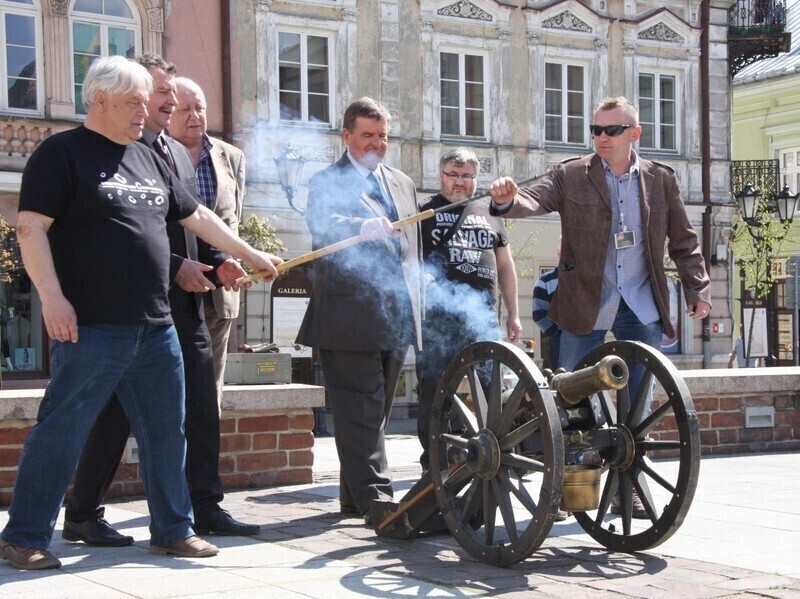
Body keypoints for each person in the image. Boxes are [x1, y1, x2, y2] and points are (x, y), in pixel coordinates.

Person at [0, 56, 281, 570]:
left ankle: (173, 530)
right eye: (133, 102)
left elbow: (196, 215)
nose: (143, 111)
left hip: (156, 326)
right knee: (61, 430)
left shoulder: (149, 157)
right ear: (98, 100)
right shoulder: (61, 153)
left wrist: (249, 253)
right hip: (90, 326)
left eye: (143, 102)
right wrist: (52, 299)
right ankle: (23, 537)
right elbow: (30, 228)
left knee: (166, 432)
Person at [62, 55, 260, 547]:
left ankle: (202, 507)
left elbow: (195, 220)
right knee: (114, 416)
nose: (171, 101)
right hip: (133, 307)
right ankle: (83, 512)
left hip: (188, 307)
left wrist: (220, 261)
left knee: (201, 408)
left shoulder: (170, 151)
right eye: (162, 92)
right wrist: (176, 266)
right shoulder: (114, 151)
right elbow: (119, 233)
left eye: (175, 92)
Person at [489, 96, 711, 519]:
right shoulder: (572, 173)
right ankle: (566, 493)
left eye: (612, 130)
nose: (602, 137)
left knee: (638, 407)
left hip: (641, 303)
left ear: (634, 133)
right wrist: (506, 200)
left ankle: (627, 492)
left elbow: (684, 240)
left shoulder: (661, 179)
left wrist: (697, 289)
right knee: (570, 399)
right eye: (596, 130)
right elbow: (532, 199)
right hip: (584, 302)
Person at [296, 97, 422, 524]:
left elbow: (412, 249)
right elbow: (322, 227)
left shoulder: (402, 182)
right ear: (346, 136)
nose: (376, 143)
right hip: (348, 317)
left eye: (383, 135)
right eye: (367, 135)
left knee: (374, 413)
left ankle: (354, 498)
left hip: (395, 315)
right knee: (361, 412)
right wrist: (360, 227)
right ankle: (377, 501)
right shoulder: (325, 180)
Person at [414, 147, 521, 472]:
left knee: (491, 391)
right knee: (435, 393)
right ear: (441, 176)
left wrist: (514, 313)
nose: (459, 182)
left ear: (476, 178)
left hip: (482, 319)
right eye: (453, 175)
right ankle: (434, 463)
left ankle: (494, 459)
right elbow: (407, 258)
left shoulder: (490, 212)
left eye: (466, 176)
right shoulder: (423, 211)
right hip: (437, 320)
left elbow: (506, 265)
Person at [170, 76, 244, 406]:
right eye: (184, 109)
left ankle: (207, 442)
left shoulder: (232, 157)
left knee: (209, 393)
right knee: (168, 391)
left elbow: (233, 219)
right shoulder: (153, 154)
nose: (194, 116)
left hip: (218, 292)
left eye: (199, 108)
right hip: (170, 289)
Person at [533, 264, 561, 371]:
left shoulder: (587, 276)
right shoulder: (545, 280)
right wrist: (557, 333)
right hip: (558, 343)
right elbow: (539, 314)